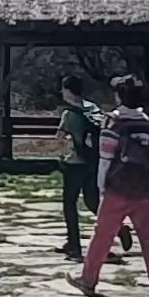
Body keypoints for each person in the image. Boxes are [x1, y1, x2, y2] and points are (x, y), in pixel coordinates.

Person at [72, 72, 149, 297]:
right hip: (142, 187)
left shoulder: (112, 120)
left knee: (102, 236)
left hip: (117, 187)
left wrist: (101, 186)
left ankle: (88, 279)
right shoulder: (145, 120)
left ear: (119, 96)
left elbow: (105, 156)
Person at [53, 73, 102, 258]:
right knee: (92, 201)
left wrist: (61, 155)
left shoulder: (68, 114)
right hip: (92, 162)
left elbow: (60, 138)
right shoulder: (93, 108)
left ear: (67, 91)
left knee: (70, 204)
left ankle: (74, 243)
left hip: (74, 163)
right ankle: (119, 229)